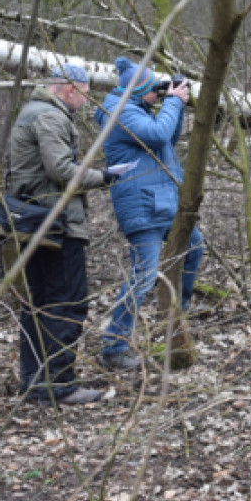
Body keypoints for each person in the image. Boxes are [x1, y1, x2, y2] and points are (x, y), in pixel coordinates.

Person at [5, 64, 113, 404]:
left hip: (32, 223)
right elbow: (62, 170)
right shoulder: (49, 117)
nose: (85, 101)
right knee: (66, 303)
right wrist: (105, 177)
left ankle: (35, 382)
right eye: (84, 94)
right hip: (55, 224)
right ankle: (60, 384)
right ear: (70, 90)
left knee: (37, 303)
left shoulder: (30, 112)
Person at [95, 57, 204, 371]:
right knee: (143, 277)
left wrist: (177, 105)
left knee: (193, 249)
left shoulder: (138, 110)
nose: (158, 94)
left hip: (163, 202)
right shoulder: (120, 112)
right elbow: (156, 135)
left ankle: (173, 324)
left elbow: (166, 139)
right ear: (140, 89)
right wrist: (171, 99)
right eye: (154, 89)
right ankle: (114, 347)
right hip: (143, 206)